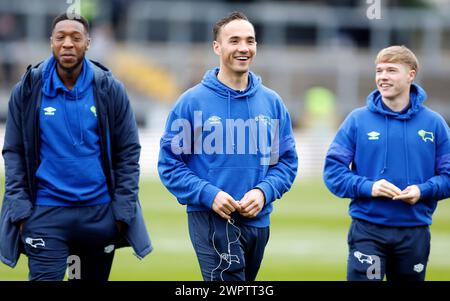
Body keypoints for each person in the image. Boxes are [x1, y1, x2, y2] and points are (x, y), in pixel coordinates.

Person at [0, 13, 152, 281]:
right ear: (51, 42)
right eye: (61, 37)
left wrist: (121, 212)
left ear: (88, 43)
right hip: (45, 215)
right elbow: (13, 151)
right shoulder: (28, 89)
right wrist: (21, 210)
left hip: (99, 216)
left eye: (76, 37)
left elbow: (128, 152)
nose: (68, 44)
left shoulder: (109, 89)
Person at [158, 11, 298, 281]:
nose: (244, 48)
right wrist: (208, 194)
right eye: (234, 41)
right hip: (211, 220)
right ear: (217, 47)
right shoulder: (191, 103)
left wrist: (263, 192)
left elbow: (285, 162)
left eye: (250, 41)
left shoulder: (272, 103)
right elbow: (170, 165)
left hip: (259, 221)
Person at [323, 45, 450, 281]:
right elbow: (333, 173)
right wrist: (369, 187)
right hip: (368, 230)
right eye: (379, 71)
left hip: (414, 233)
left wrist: (422, 191)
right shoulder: (357, 120)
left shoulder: (434, 123)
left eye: (391, 70)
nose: (382, 77)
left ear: (411, 74)